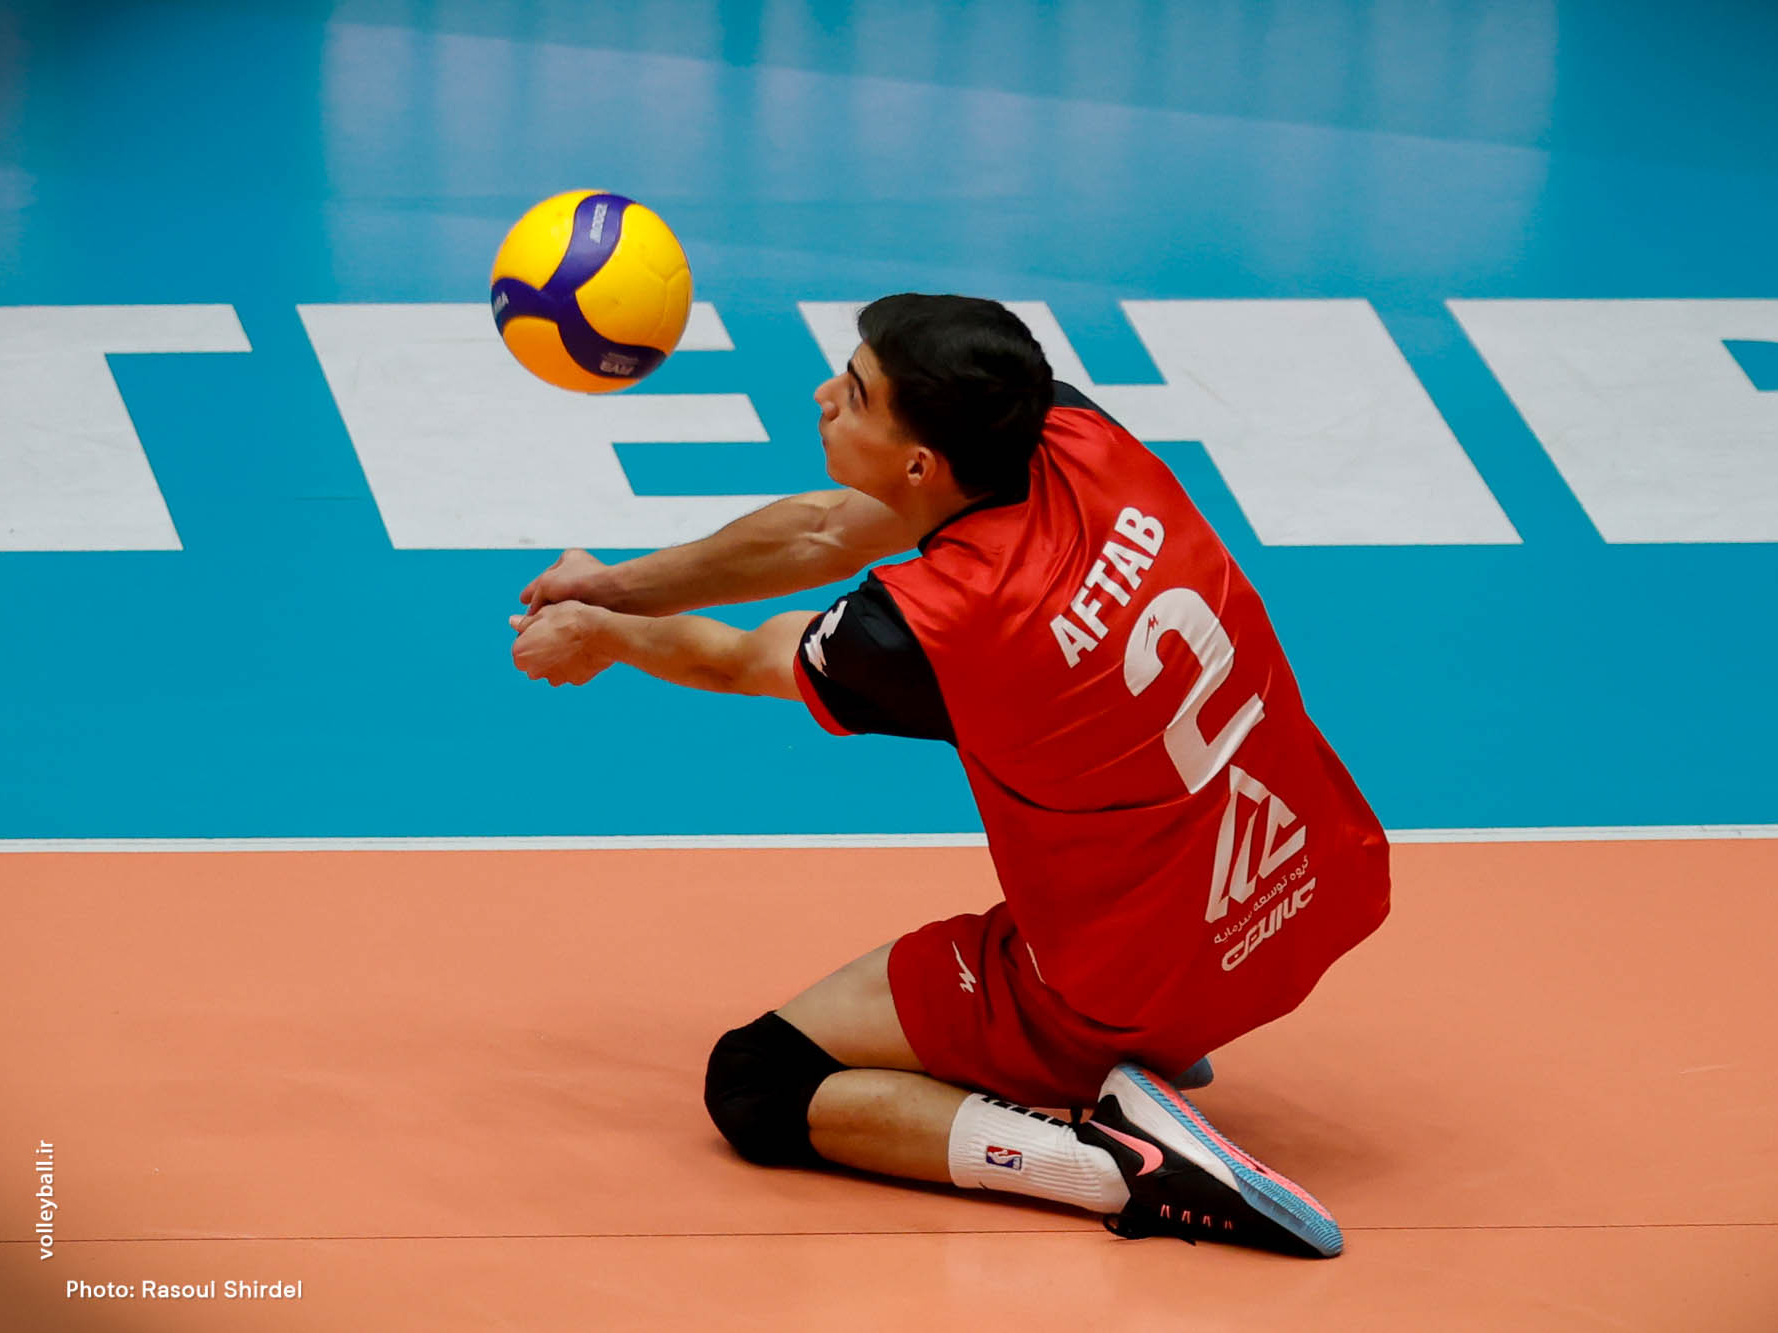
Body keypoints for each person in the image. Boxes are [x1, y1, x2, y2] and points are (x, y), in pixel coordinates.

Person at [509, 293, 1390, 1258]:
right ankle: (1153, 1057)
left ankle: (1117, 1161)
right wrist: (614, 585)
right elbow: (822, 532)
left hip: (1136, 986)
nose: (823, 396)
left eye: (855, 392)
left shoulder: (925, 631)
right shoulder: (1072, 428)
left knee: (758, 1079)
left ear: (921, 464)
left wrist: (603, 637)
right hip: (1314, 884)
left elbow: (733, 659)